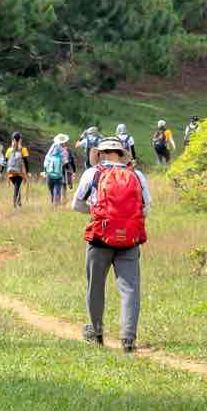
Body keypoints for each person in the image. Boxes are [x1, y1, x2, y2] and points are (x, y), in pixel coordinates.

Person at [73, 137, 152, 352]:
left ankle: (96, 333)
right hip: (129, 240)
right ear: (121, 153)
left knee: (95, 286)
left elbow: (77, 205)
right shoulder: (136, 175)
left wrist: (98, 213)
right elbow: (146, 208)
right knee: (130, 289)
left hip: (100, 237)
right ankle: (128, 339)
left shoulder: (93, 173)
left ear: (101, 153)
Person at [44, 133, 70, 206]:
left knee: (51, 190)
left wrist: (45, 170)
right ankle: (56, 205)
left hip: (50, 174)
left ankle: (53, 201)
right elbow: (65, 162)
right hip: (59, 175)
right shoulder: (64, 150)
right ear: (64, 141)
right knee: (57, 189)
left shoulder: (52, 147)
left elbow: (46, 158)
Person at [5, 132, 30, 208]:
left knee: (17, 186)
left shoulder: (9, 149)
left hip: (10, 172)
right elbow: (25, 162)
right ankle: (15, 202)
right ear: (20, 139)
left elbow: (5, 161)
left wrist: (1, 172)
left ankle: (19, 202)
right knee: (17, 186)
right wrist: (27, 172)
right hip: (19, 172)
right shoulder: (23, 149)